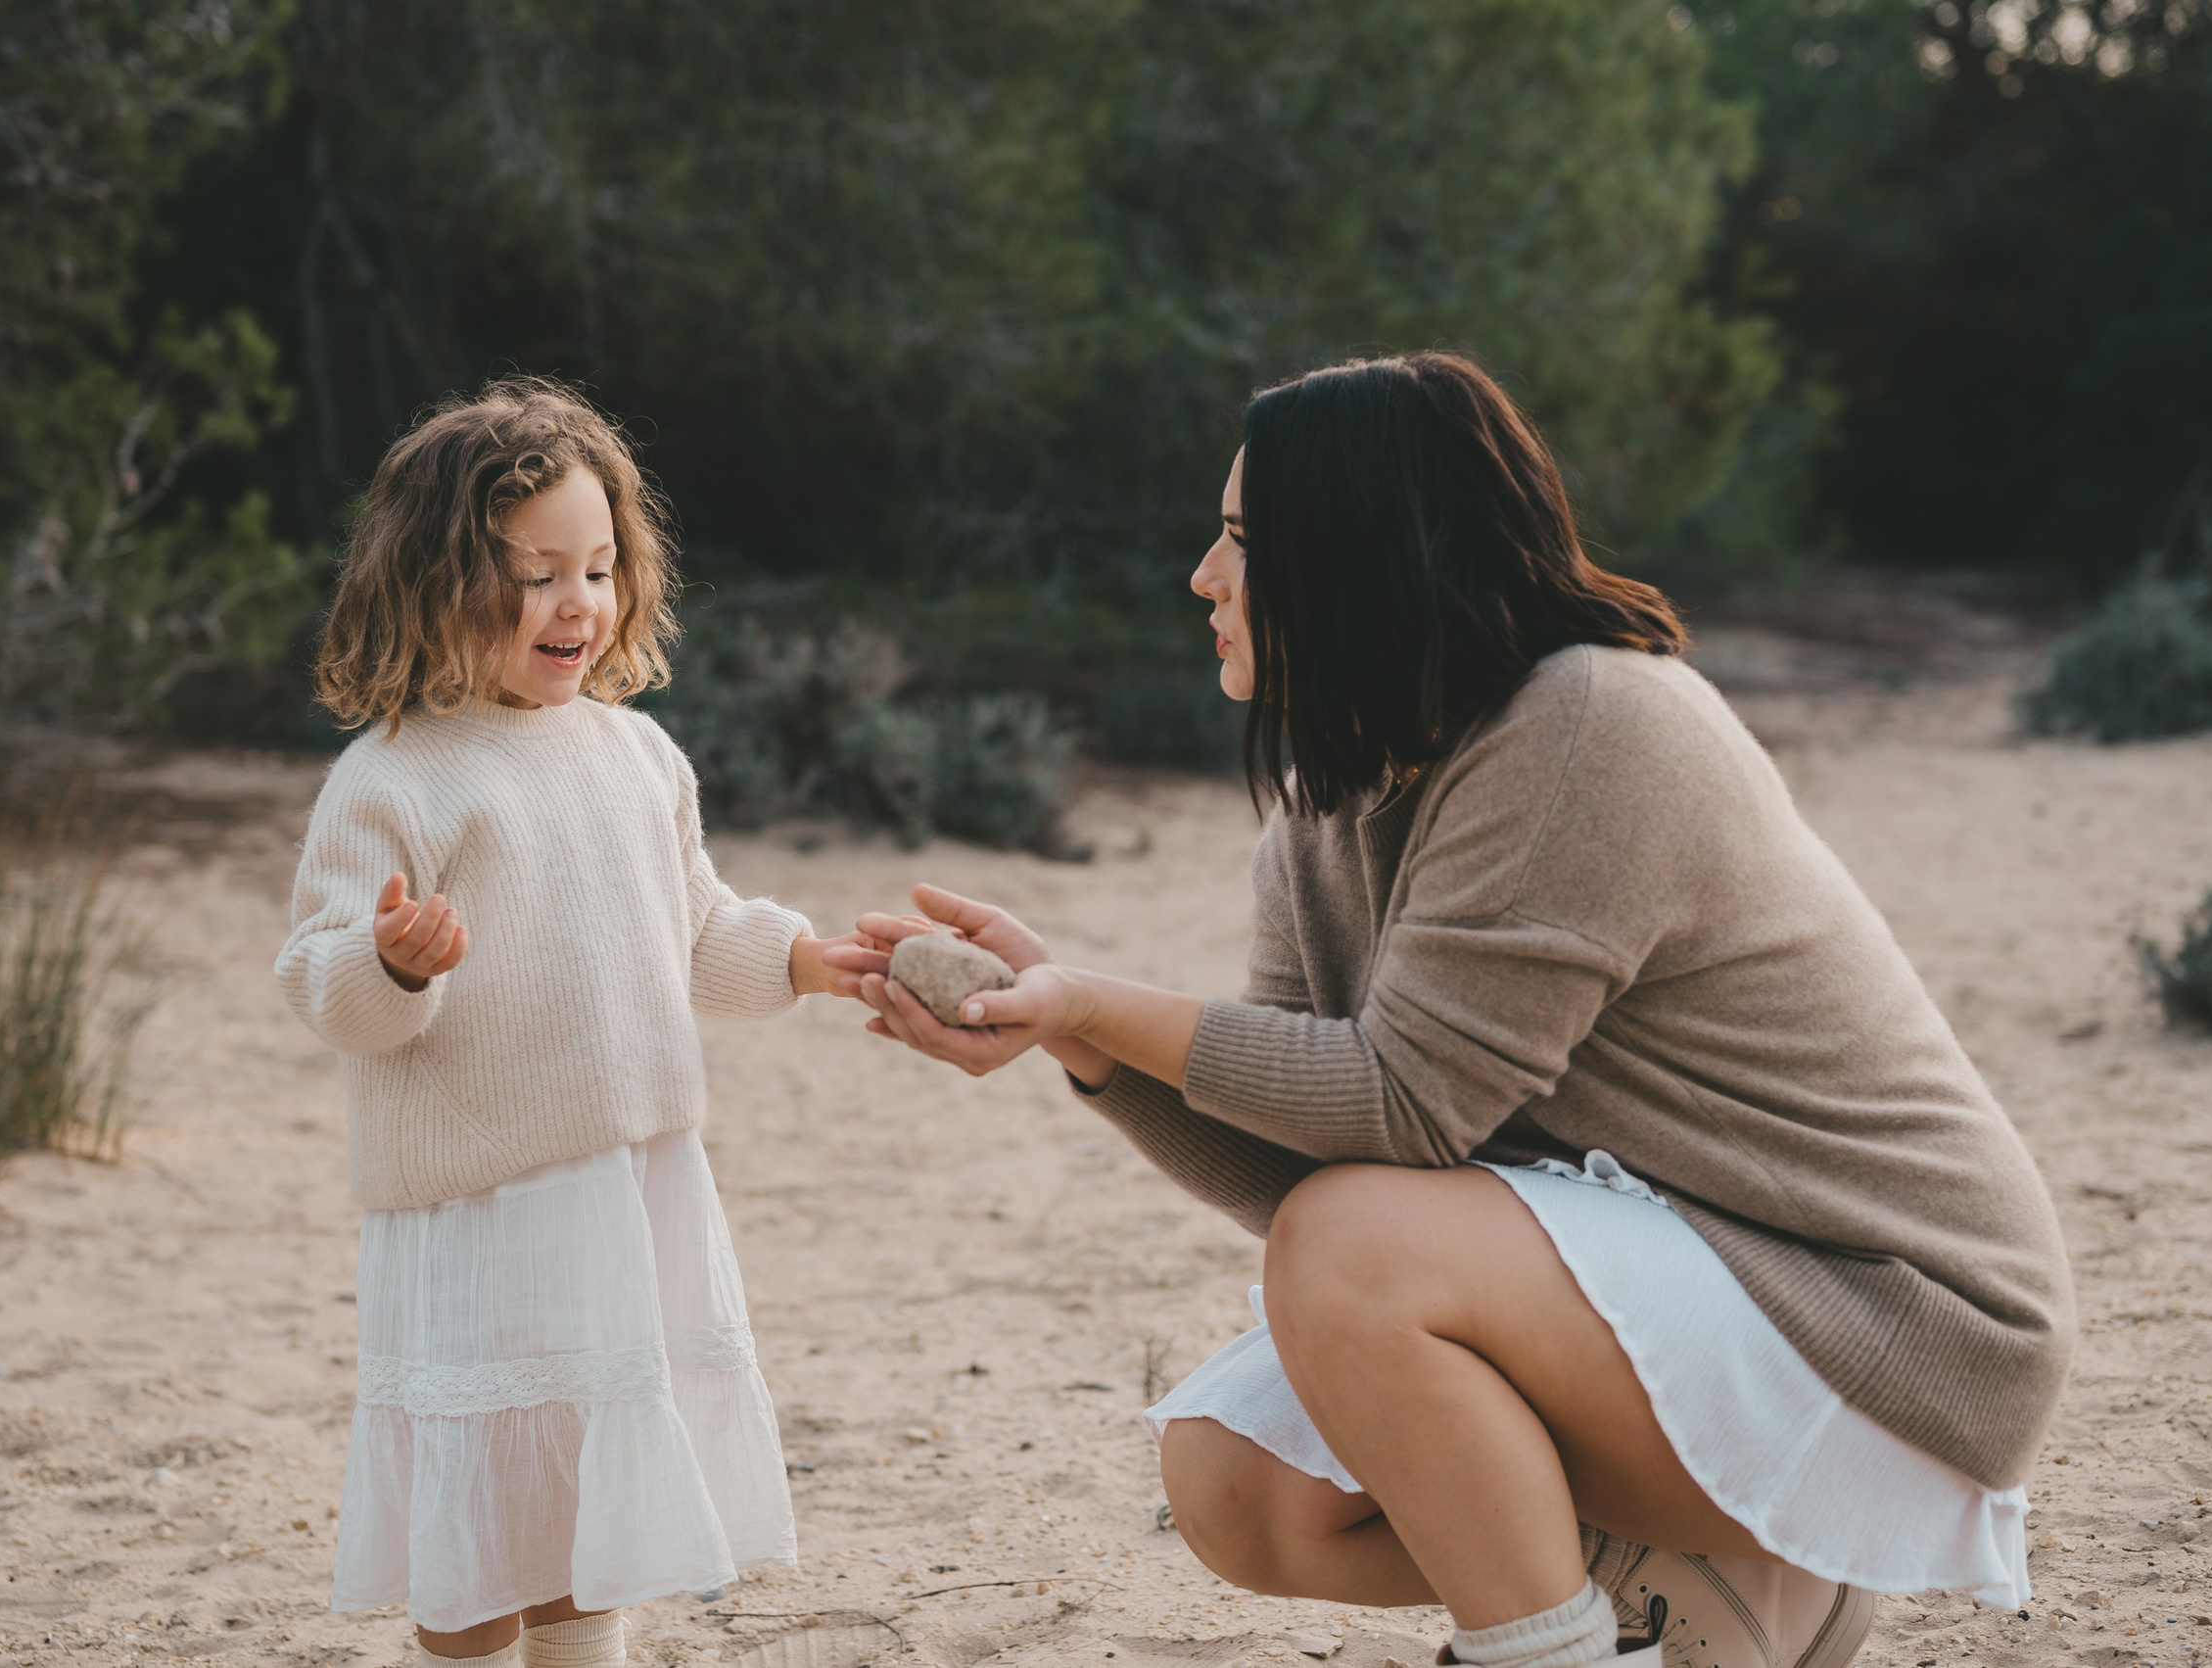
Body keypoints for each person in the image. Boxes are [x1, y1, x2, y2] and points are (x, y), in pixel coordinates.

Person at [831, 354, 2075, 1668]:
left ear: (1364, 550)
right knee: (1239, 1483)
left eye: (1245, 540)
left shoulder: (1591, 724)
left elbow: (1404, 1110)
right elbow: (1309, 1164)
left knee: (1354, 1247)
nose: (1205, 574)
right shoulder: (1330, 804)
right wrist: (1075, 1034)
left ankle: (1563, 1652)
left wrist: (1099, 996)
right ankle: (1705, 1592)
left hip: (1888, 1325)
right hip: (1692, 1281)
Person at [276, 378, 857, 1668]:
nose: (576, 604)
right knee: (485, 1527)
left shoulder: (638, 756)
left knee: (598, 1512)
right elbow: (322, 986)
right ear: (431, 582)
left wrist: (810, 961)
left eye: (596, 568)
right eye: (533, 575)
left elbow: (697, 933)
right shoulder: (389, 783)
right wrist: (393, 962)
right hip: (476, 1209)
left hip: (624, 1185)